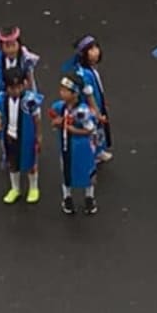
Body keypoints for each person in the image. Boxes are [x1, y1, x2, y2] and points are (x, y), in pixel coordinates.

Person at [0, 68, 43, 205]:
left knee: (31, 163)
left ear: (24, 84)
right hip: (10, 135)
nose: (16, 91)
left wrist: (38, 136)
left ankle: (33, 187)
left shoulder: (30, 100)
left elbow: (37, 118)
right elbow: (0, 116)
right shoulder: (1, 100)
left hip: (27, 136)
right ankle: (15, 188)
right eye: (12, 88)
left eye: (19, 87)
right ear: (6, 87)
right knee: (12, 163)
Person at [51, 75, 98, 215]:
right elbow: (53, 118)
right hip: (66, 145)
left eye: (66, 91)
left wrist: (74, 130)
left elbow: (90, 129)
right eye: (61, 90)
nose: (62, 93)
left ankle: (89, 197)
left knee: (87, 171)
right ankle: (67, 198)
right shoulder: (60, 107)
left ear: (75, 93)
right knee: (66, 170)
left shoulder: (82, 111)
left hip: (82, 147)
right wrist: (57, 123)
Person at [69, 35, 112, 162]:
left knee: (99, 130)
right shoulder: (84, 74)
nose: (96, 51)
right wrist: (97, 112)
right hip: (89, 108)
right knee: (92, 129)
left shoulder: (91, 70)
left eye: (96, 47)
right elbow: (89, 95)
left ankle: (99, 150)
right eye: (91, 49)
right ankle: (93, 154)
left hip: (97, 103)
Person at [0, 26, 40, 94]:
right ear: (1, 47)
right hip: (3, 93)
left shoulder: (26, 59)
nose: (11, 50)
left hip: (22, 93)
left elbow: (31, 80)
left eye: (13, 45)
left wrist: (33, 95)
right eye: (7, 46)